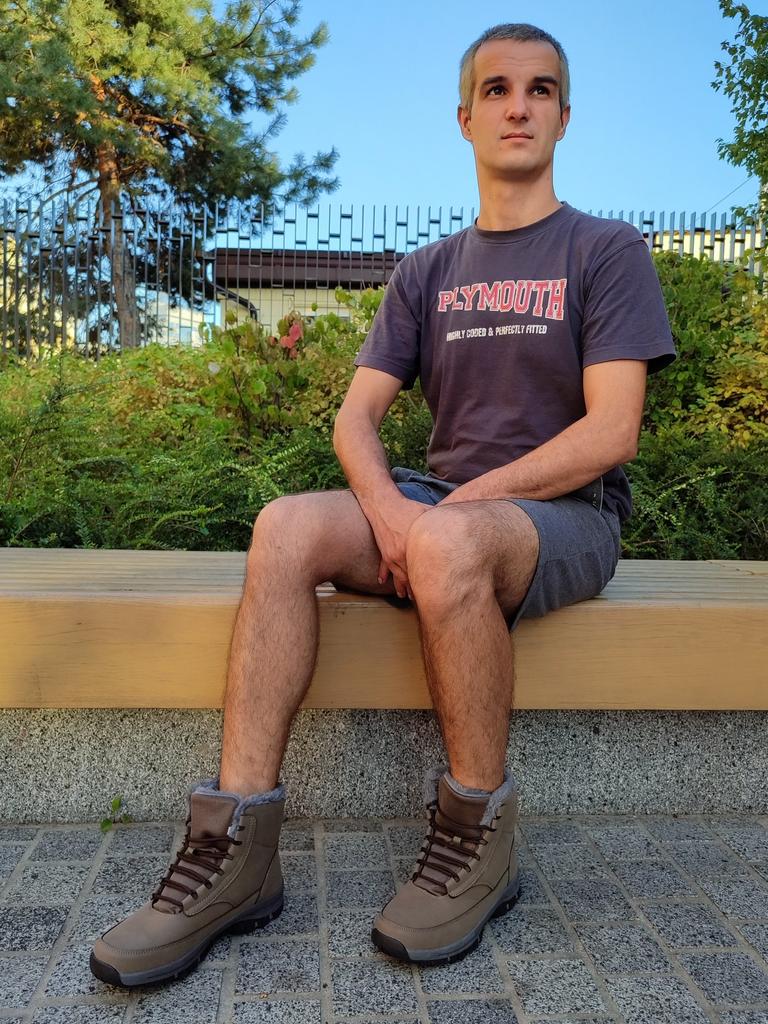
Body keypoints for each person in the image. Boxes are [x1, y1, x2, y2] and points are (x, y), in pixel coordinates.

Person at [90, 22, 676, 986]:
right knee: (285, 525)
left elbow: (612, 431)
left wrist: (442, 519)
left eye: (539, 90)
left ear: (565, 117)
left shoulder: (605, 250)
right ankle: (236, 848)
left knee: (447, 544)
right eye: (496, 90)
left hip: (566, 517)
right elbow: (356, 420)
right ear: (464, 118)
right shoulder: (428, 269)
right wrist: (397, 512)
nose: (518, 107)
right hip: (440, 509)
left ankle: (479, 836)